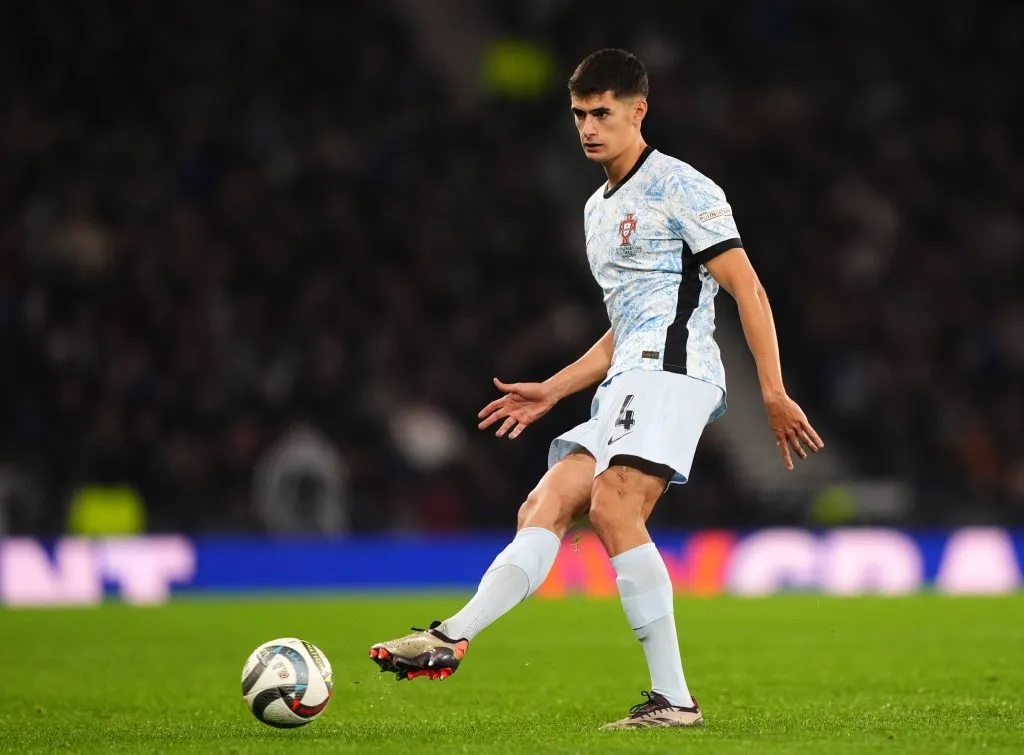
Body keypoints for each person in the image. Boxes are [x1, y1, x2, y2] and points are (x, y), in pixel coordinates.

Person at [369, 48, 823, 730]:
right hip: (626, 376)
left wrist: (774, 391)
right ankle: (451, 636)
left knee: (614, 505)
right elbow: (624, 325)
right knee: (545, 502)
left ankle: (674, 701)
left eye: (602, 113)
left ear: (638, 112)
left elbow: (747, 287)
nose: (588, 127)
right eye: (579, 114)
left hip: (674, 371)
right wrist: (553, 388)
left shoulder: (682, 186)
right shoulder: (595, 210)